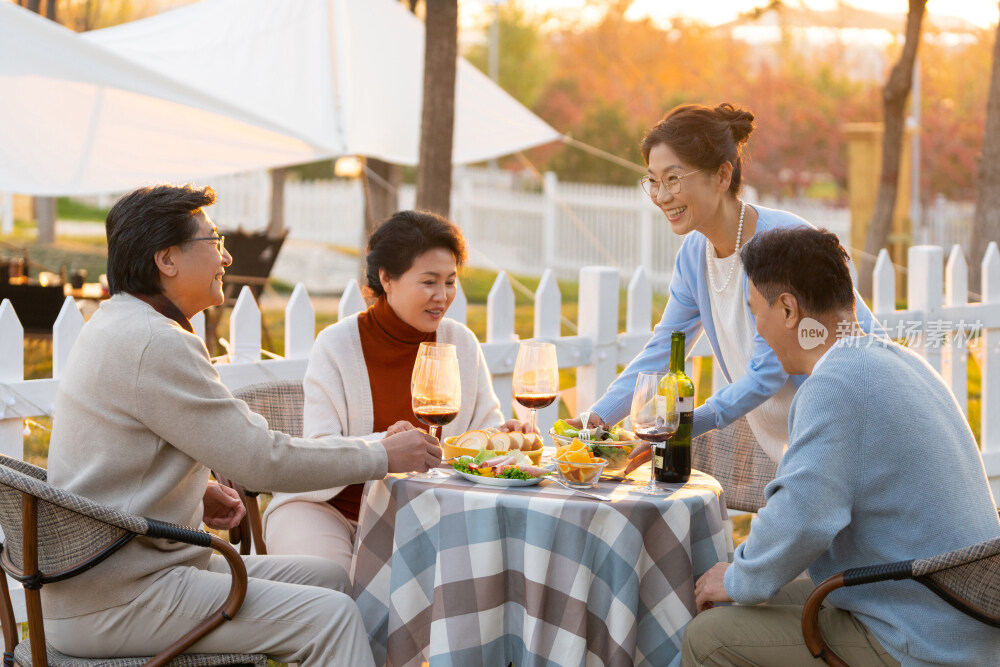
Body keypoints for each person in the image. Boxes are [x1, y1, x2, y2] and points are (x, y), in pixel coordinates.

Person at [44, 185, 441, 666]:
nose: (227, 257)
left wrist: (191, 489)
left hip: (114, 577)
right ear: (167, 259)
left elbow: (120, 453)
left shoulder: (119, 323)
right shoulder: (155, 342)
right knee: (330, 616)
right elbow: (261, 461)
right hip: (119, 599)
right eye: (214, 241)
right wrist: (381, 454)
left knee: (334, 580)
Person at [684, 227, 1000, 666]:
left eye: (755, 312)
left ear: (789, 309)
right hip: (962, 616)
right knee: (749, 600)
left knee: (709, 636)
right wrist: (746, 578)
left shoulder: (838, 385)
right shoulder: (902, 362)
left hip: (921, 637)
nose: (757, 329)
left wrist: (738, 578)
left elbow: (801, 516)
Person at [574, 103, 882, 475]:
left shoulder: (781, 243)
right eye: (653, 181)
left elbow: (769, 372)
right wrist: (597, 417)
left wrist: (686, 424)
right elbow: (663, 346)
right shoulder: (694, 255)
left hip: (856, 419)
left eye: (673, 178)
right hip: (802, 437)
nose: (661, 195)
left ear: (722, 176)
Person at [263, 210, 524, 577]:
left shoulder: (460, 343)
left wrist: (507, 439)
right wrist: (384, 448)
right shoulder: (337, 345)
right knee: (331, 587)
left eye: (450, 281)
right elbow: (320, 447)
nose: (442, 296)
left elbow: (484, 432)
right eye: (429, 282)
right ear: (387, 278)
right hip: (331, 510)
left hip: (431, 510)